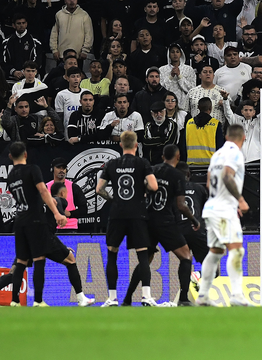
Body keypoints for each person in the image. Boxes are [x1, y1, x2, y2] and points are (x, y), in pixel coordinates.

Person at [7, 141, 94, 307]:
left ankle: (14, 301)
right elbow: (43, 191)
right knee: (51, 259)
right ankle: (40, 301)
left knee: (21, 261)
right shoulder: (32, 169)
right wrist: (56, 213)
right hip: (35, 221)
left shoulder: (11, 176)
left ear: (10, 156)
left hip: (20, 221)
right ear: (26, 154)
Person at [123, 144, 200, 306]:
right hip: (165, 221)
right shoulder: (177, 175)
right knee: (186, 256)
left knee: (146, 260)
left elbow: (140, 192)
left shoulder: (152, 170)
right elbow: (181, 205)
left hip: (147, 220)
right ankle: (184, 299)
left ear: (163, 156)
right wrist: (194, 220)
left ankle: (127, 298)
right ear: (178, 157)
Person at [96, 131, 158, 307]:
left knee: (112, 254)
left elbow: (99, 189)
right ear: (136, 145)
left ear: (121, 145)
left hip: (117, 214)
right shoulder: (142, 163)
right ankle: (146, 296)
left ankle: (112, 298)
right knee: (143, 257)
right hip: (137, 213)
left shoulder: (111, 164)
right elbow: (153, 185)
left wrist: (113, 199)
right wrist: (143, 188)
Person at [196, 124, 251, 306]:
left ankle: (203, 296)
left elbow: (209, 181)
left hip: (211, 208)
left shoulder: (217, 154)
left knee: (216, 251)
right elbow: (227, 176)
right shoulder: (235, 153)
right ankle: (236, 296)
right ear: (243, 138)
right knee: (236, 249)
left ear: (226, 137)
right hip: (223, 211)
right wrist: (239, 200)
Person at [185, 97, 225, 164]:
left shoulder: (189, 123)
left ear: (198, 107)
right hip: (210, 164)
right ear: (211, 108)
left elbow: (184, 145)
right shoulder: (215, 124)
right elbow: (220, 147)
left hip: (192, 164)